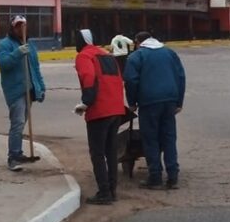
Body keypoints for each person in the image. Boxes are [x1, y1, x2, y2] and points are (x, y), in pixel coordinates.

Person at [123, 31, 186, 190]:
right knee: (169, 138)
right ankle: (173, 176)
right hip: (170, 101)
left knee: (151, 139)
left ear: (138, 42)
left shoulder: (137, 56)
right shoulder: (169, 53)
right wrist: (179, 101)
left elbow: (130, 80)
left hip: (149, 102)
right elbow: (180, 76)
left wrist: (132, 102)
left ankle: (155, 177)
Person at [74, 29, 125, 205]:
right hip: (116, 110)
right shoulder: (107, 55)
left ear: (81, 41)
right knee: (111, 152)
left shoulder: (84, 56)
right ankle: (112, 190)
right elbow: (118, 81)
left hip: (99, 111)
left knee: (97, 153)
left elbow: (88, 77)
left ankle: (104, 192)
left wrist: (85, 102)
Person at [0, 15, 46, 172]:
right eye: (18, 26)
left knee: (22, 123)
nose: (21, 28)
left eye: (23, 25)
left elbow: (35, 68)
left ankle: (19, 152)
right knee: (17, 123)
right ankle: (13, 156)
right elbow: (4, 64)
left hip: (29, 89)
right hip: (16, 90)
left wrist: (41, 87)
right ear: (12, 27)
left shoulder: (29, 45)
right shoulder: (3, 45)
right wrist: (17, 53)